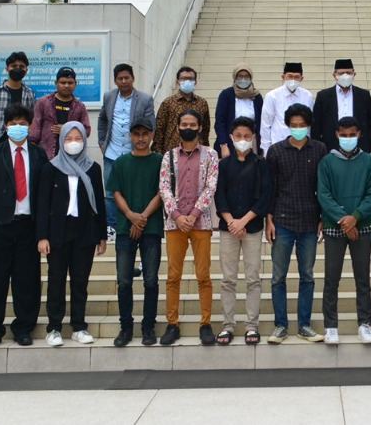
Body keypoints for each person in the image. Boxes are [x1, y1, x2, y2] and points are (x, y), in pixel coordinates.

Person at [0, 103, 48, 348]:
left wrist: (42, 232)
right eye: (13, 123)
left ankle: (24, 327)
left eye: (23, 123)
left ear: (30, 126)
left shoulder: (38, 155)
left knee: (26, 280)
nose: (18, 127)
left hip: (28, 226)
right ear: (6, 126)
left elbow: (44, 196)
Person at [36, 121, 107, 346]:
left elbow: (100, 203)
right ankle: (54, 327)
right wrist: (42, 236)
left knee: (80, 282)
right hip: (58, 232)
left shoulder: (93, 168)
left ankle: (79, 326)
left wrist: (102, 235)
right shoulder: (51, 168)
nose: (73, 143)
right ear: (61, 140)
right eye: (69, 139)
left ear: (85, 141)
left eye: (77, 139)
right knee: (56, 280)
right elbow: (42, 204)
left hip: (84, 232)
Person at [264, 103, 326, 343]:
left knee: (307, 276)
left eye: (303, 125)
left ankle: (304, 325)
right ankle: (280, 325)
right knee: (278, 276)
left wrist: (322, 217)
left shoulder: (320, 149)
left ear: (308, 126)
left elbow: (323, 186)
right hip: (282, 221)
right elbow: (270, 188)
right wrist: (269, 219)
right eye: (294, 125)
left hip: (310, 222)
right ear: (288, 125)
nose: (298, 129)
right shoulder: (276, 151)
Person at [158, 109, 220, 346]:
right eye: (184, 123)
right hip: (175, 224)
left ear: (200, 127)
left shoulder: (211, 155)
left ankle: (205, 323)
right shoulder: (168, 156)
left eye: (192, 124)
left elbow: (210, 186)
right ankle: (172, 324)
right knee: (173, 276)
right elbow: (164, 187)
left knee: (203, 275)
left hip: (200, 223)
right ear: (177, 126)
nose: (188, 127)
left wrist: (193, 214)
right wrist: (177, 215)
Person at [318, 116, 371, 344]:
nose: (347, 138)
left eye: (351, 134)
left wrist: (355, 217)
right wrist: (344, 220)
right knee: (331, 278)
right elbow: (324, 195)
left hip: (361, 227)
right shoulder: (327, 162)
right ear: (336, 135)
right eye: (343, 135)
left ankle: (364, 324)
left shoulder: (368, 162)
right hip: (335, 228)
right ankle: (330, 326)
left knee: (362, 278)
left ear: (359, 134)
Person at [214, 116, 273, 345]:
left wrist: (243, 222)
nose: (242, 140)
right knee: (228, 279)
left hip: (253, 227)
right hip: (228, 228)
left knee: (252, 278)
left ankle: (252, 325)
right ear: (231, 137)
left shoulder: (261, 164)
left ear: (253, 138)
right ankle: (228, 325)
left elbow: (265, 196)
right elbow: (219, 195)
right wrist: (231, 221)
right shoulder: (223, 165)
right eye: (238, 136)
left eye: (247, 136)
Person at [107, 119, 163, 347]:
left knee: (150, 279)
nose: (141, 138)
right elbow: (116, 192)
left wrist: (142, 218)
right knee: (124, 281)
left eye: (145, 134)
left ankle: (148, 327)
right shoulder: (121, 162)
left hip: (151, 227)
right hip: (124, 228)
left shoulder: (160, 161)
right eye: (136, 134)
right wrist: (131, 215)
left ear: (151, 136)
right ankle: (126, 327)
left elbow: (162, 193)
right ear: (130, 136)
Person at [97, 62, 156, 237]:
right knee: (109, 192)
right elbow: (102, 120)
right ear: (115, 81)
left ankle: (135, 223)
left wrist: (145, 146)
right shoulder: (108, 97)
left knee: (132, 191)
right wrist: (102, 143)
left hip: (134, 155)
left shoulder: (145, 99)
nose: (124, 81)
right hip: (112, 153)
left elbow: (151, 125)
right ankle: (112, 227)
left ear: (133, 78)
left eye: (127, 78)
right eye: (120, 79)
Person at [313, 59, 371, 154]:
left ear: (354, 74)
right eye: (341, 73)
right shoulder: (323, 96)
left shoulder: (363, 95)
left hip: (359, 148)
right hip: (331, 148)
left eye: (348, 72)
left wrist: (367, 147)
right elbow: (316, 125)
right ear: (334, 75)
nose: (345, 76)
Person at [31, 66, 91, 160]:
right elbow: (35, 130)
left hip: (71, 156)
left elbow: (86, 131)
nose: (66, 85)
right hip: (46, 156)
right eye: (63, 82)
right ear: (56, 83)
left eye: (70, 83)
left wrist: (67, 129)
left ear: (75, 84)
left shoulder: (80, 106)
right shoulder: (43, 102)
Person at [0, 51, 36, 147]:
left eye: (21, 66)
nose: (18, 69)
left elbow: (32, 120)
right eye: (14, 66)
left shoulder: (30, 93)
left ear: (26, 70)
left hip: (22, 143)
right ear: (7, 69)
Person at [258, 62, 313, 153]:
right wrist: (266, 149)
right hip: (278, 146)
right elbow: (266, 125)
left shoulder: (307, 96)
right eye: (290, 76)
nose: (293, 80)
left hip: (302, 145)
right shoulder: (272, 96)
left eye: (296, 77)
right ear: (283, 77)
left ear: (301, 78)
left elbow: (309, 124)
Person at [154, 66, 212, 153]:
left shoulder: (202, 103)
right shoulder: (168, 103)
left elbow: (205, 129)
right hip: (172, 152)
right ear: (177, 81)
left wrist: (206, 150)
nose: (187, 81)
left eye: (191, 79)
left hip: (197, 151)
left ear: (195, 81)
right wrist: (158, 153)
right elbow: (159, 129)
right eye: (183, 79)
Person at [214, 63, 263, 158]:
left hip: (251, 141)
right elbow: (220, 121)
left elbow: (262, 121)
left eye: (246, 76)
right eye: (240, 76)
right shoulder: (226, 95)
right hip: (230, 142)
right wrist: (223, 145)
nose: (243, 79)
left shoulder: (256, 96)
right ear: (235, 78)